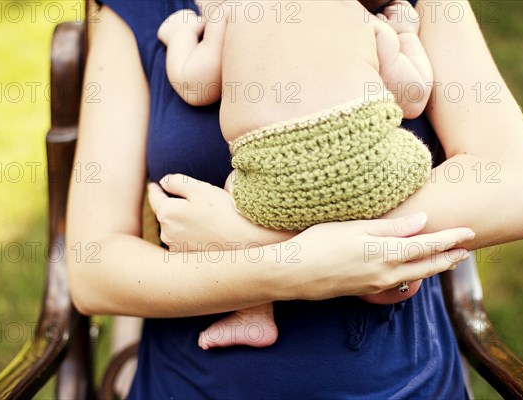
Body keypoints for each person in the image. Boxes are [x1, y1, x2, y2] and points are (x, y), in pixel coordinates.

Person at [67, 0, 523, 398]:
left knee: (240, 186)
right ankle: (376, 282)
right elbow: (93, 272)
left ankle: (260, 309)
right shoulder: (140, 14)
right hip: (198, 385)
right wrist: (296, 268)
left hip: (400, 384)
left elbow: (515, 192)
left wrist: (247, 237)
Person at [157, 0, 435, 350]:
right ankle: (391, 277)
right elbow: (412, 98)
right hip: (371, 172)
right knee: (405, 154)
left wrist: (181, 35)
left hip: (275, 186)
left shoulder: (232, 12)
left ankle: (253, 310)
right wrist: (406, 36)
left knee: (229, 197)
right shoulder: (360, 16)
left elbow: (195, 87)